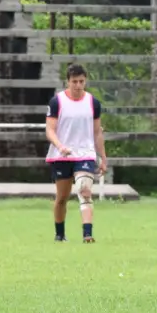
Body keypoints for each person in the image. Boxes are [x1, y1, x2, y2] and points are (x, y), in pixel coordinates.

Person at [45, 63, 108, 243]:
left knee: (84, 189)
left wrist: (103, 158)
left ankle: (87, 233)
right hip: (62, 155)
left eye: (81, 81)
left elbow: (97, 132)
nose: (78, 85)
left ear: (85, 81)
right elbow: (50, 130)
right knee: (62, 198)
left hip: (85, 153)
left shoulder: (93, 103)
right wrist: (60, 146)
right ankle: (60, 234)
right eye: (74, 82)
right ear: (68, 82)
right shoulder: (57, 102)